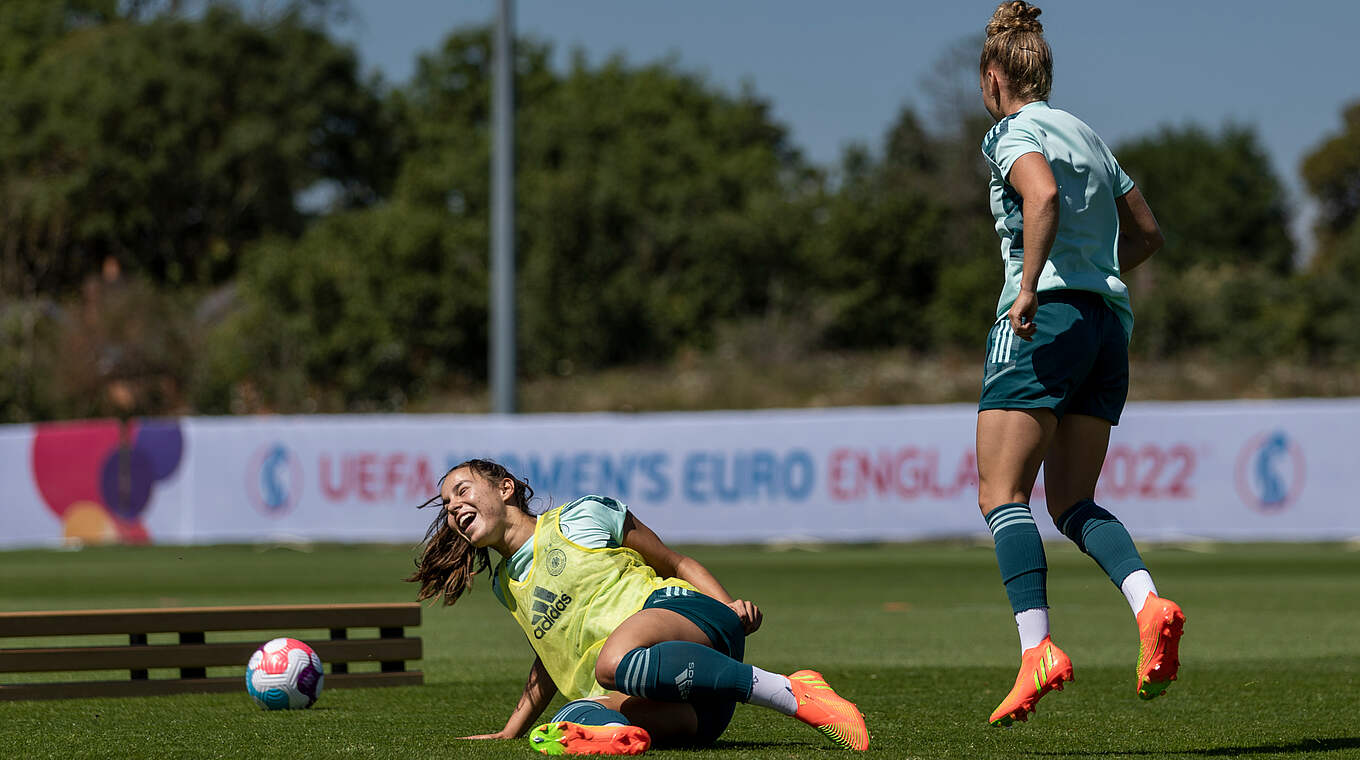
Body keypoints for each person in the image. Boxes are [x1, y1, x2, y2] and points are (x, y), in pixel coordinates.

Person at [972, 1, 1184, 727]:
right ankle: (1148, 603)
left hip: (1047, 317)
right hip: (1107, 323)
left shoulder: (1011, 131)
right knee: (1071, 502)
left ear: (993, 76)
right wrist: (1100, 273)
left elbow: (1042, 194)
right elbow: (1148, 231)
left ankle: (1037, 649)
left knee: (1001, 494)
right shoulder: (1088, 133)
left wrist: (1030, 286)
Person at [407, 458, 870, 755]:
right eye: (447, 505)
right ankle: (623, 737)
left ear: (504, 488)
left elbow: (675, 561)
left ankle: (790, 691)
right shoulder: (505, 585)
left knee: (612, 663)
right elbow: (551, 657)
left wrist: (728, 605)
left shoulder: (582, 516)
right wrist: (511, 729)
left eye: (462, 491)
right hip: (698, 710)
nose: (454, 508)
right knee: (570, 720)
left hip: (691, 619)